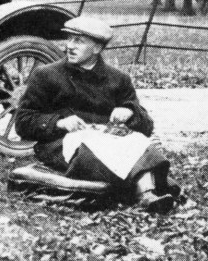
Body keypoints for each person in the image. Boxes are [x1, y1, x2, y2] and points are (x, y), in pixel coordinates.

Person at [14, 16, 181, 212]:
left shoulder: (118, 79)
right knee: (92, 154)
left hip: (108, 139)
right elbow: (23, 122)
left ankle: (147, 196)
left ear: (97, 48)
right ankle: (146, 190)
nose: (70, 46)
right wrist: (60, 123)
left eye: (79, 41)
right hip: (62, 144)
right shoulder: (46, 75)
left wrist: (129, 112)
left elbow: (146, 127)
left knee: (143, 145)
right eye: (69, 39)